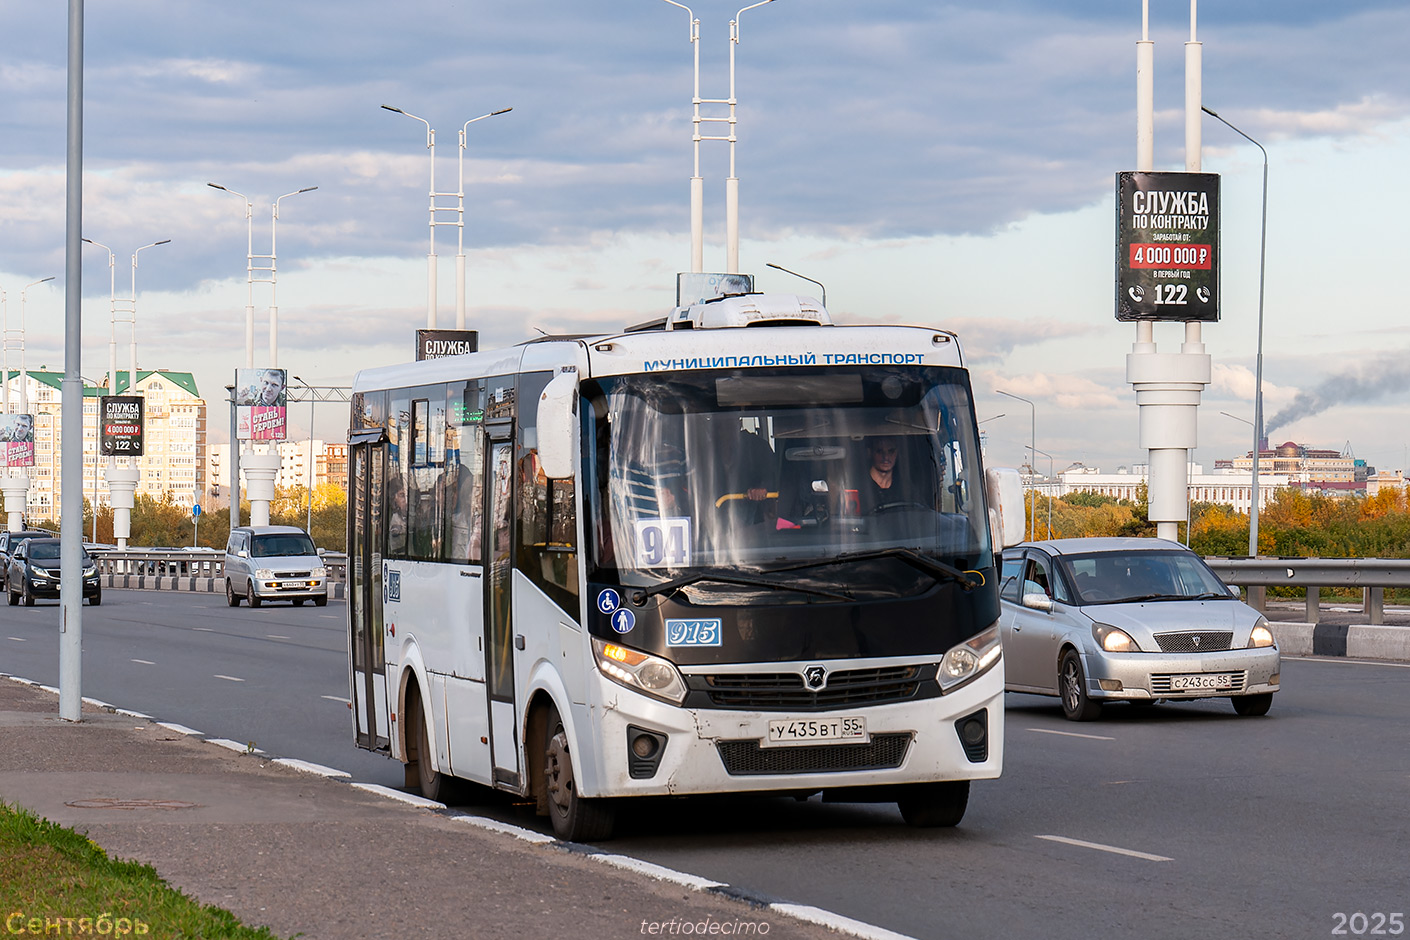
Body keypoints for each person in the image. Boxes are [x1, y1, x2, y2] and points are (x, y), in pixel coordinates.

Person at [858, 435, 910, 513]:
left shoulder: (906, 489)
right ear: (869, 452)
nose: (886, 457)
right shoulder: (858, 489)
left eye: (891, 451)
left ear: (897, 453)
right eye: (879, 451)